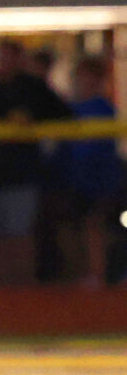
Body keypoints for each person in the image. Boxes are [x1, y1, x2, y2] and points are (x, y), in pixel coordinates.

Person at [0, 40, 69, 283]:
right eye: (1, 58)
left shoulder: (34, 88)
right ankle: (1, 285)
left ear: (20, 60)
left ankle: (21, 285)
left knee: (20, 233)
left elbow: (63, 114)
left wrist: (32, 119)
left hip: (22, 175)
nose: (5, 63)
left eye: (10, 58)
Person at [60, 56, 123, 286]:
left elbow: (95, 145)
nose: (82, 82)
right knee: (81, 227)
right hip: (78, 177)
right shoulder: (73, 107)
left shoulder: (103, 107)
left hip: (100, 177)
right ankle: (90, 271)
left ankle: (100, 272)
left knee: (96, 224)